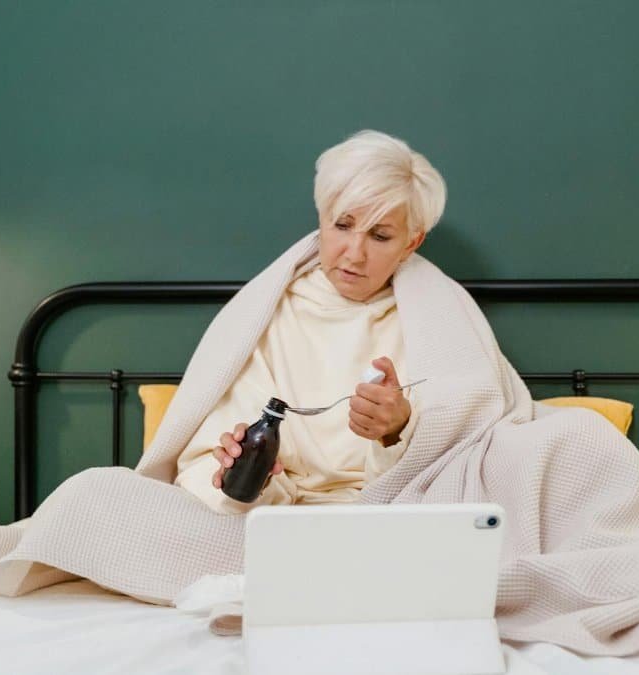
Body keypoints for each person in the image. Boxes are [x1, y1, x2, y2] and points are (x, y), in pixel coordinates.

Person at [174, 130, 447, 513]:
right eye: (341, 225)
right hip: (268, 521)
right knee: (90, 492)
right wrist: (250, 475)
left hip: (386, 519)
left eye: (380, 236)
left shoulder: (439, 324)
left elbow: (470, 455)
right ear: (321, 218)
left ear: (411, 243)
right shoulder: (264, 317)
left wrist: (397, 432)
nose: (354, 254)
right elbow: (202, 468)